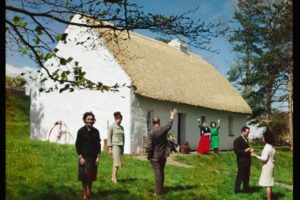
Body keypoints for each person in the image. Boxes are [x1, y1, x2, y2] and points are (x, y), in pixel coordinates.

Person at [146, 108, 177, 196]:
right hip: (163, 155)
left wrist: (149, 155)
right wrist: (171, 116)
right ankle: (161, 189)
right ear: (159, 122)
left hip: (155, 156)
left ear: (153, 123)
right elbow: (169, 125)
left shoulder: (151, 132)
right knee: (161, 172)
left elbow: (149, 146)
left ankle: (158, 192)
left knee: (158, 174)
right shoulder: (163, 129)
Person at [75, 112, 101, 200]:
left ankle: (89, 190)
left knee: (91, 176)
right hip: (84, 157)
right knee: (85, 176)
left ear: (94, 121)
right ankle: (84, 194)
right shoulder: (81, 131)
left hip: (93, 157)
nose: (90, 121)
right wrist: (80, 157)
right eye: (88, 119)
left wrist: (98, 157)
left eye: (91, 119)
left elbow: (98, 145)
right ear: (85, 120)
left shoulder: (96, 131)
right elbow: (78, 144)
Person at [252, 128, 275, 200]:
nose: (262, 138)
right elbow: (273, 157)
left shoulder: (267, 147)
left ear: (266, 138)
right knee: (269, 183)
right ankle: (269, 198)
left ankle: (269, 199)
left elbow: (264, 158)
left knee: (267, 184)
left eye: (263, 137)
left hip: (267, 166)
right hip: (271, 165)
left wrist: (255, 155)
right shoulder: (272, 147)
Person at [233, 126, 254, 193]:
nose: (248, 134)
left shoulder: (246, 139)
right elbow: (236, 151)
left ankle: (246, 189)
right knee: (240, 175)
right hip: (241, 161)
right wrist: (245, 150)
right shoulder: (237, 140)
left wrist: (250, 151)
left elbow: (247, 150)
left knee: (247, 176)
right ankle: (237, 190)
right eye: (247, 132)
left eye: (249, 132)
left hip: (247, 161)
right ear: (243, 131)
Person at [107, 111, 125, 184]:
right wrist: (110, 148)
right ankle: (113, 178)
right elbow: (109, 137)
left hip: (121, 145)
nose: (118, 119)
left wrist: (123, 147)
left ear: (121, 118)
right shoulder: (112, 126)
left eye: (119, 118)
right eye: (116, 118)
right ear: (115, 118)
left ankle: (114, 177)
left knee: (118, 163)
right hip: (115, 146)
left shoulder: (121, 127)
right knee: (116, 162)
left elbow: (123, 137)